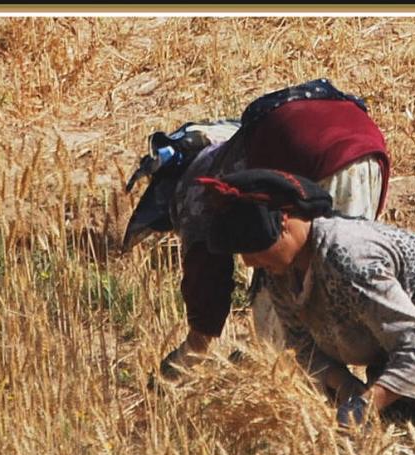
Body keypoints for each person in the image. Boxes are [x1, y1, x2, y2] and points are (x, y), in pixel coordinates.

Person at [197, 169, 415, 452]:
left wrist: (363, 406)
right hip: (401, 340)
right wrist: (345, 388)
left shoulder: (349, 258)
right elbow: (301, 346)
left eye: (254, 249)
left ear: (284, 222)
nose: (249, 262)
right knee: (400, 453)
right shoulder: (279, 275)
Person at [122, 79, 390, 382]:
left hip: (320, 153)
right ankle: (372, 385)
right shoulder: (238, 145)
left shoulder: (195, 188)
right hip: (368, 147)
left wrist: (187, 356)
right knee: (352, 278)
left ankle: (318, 392)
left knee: (284, 298)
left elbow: (206, 278)